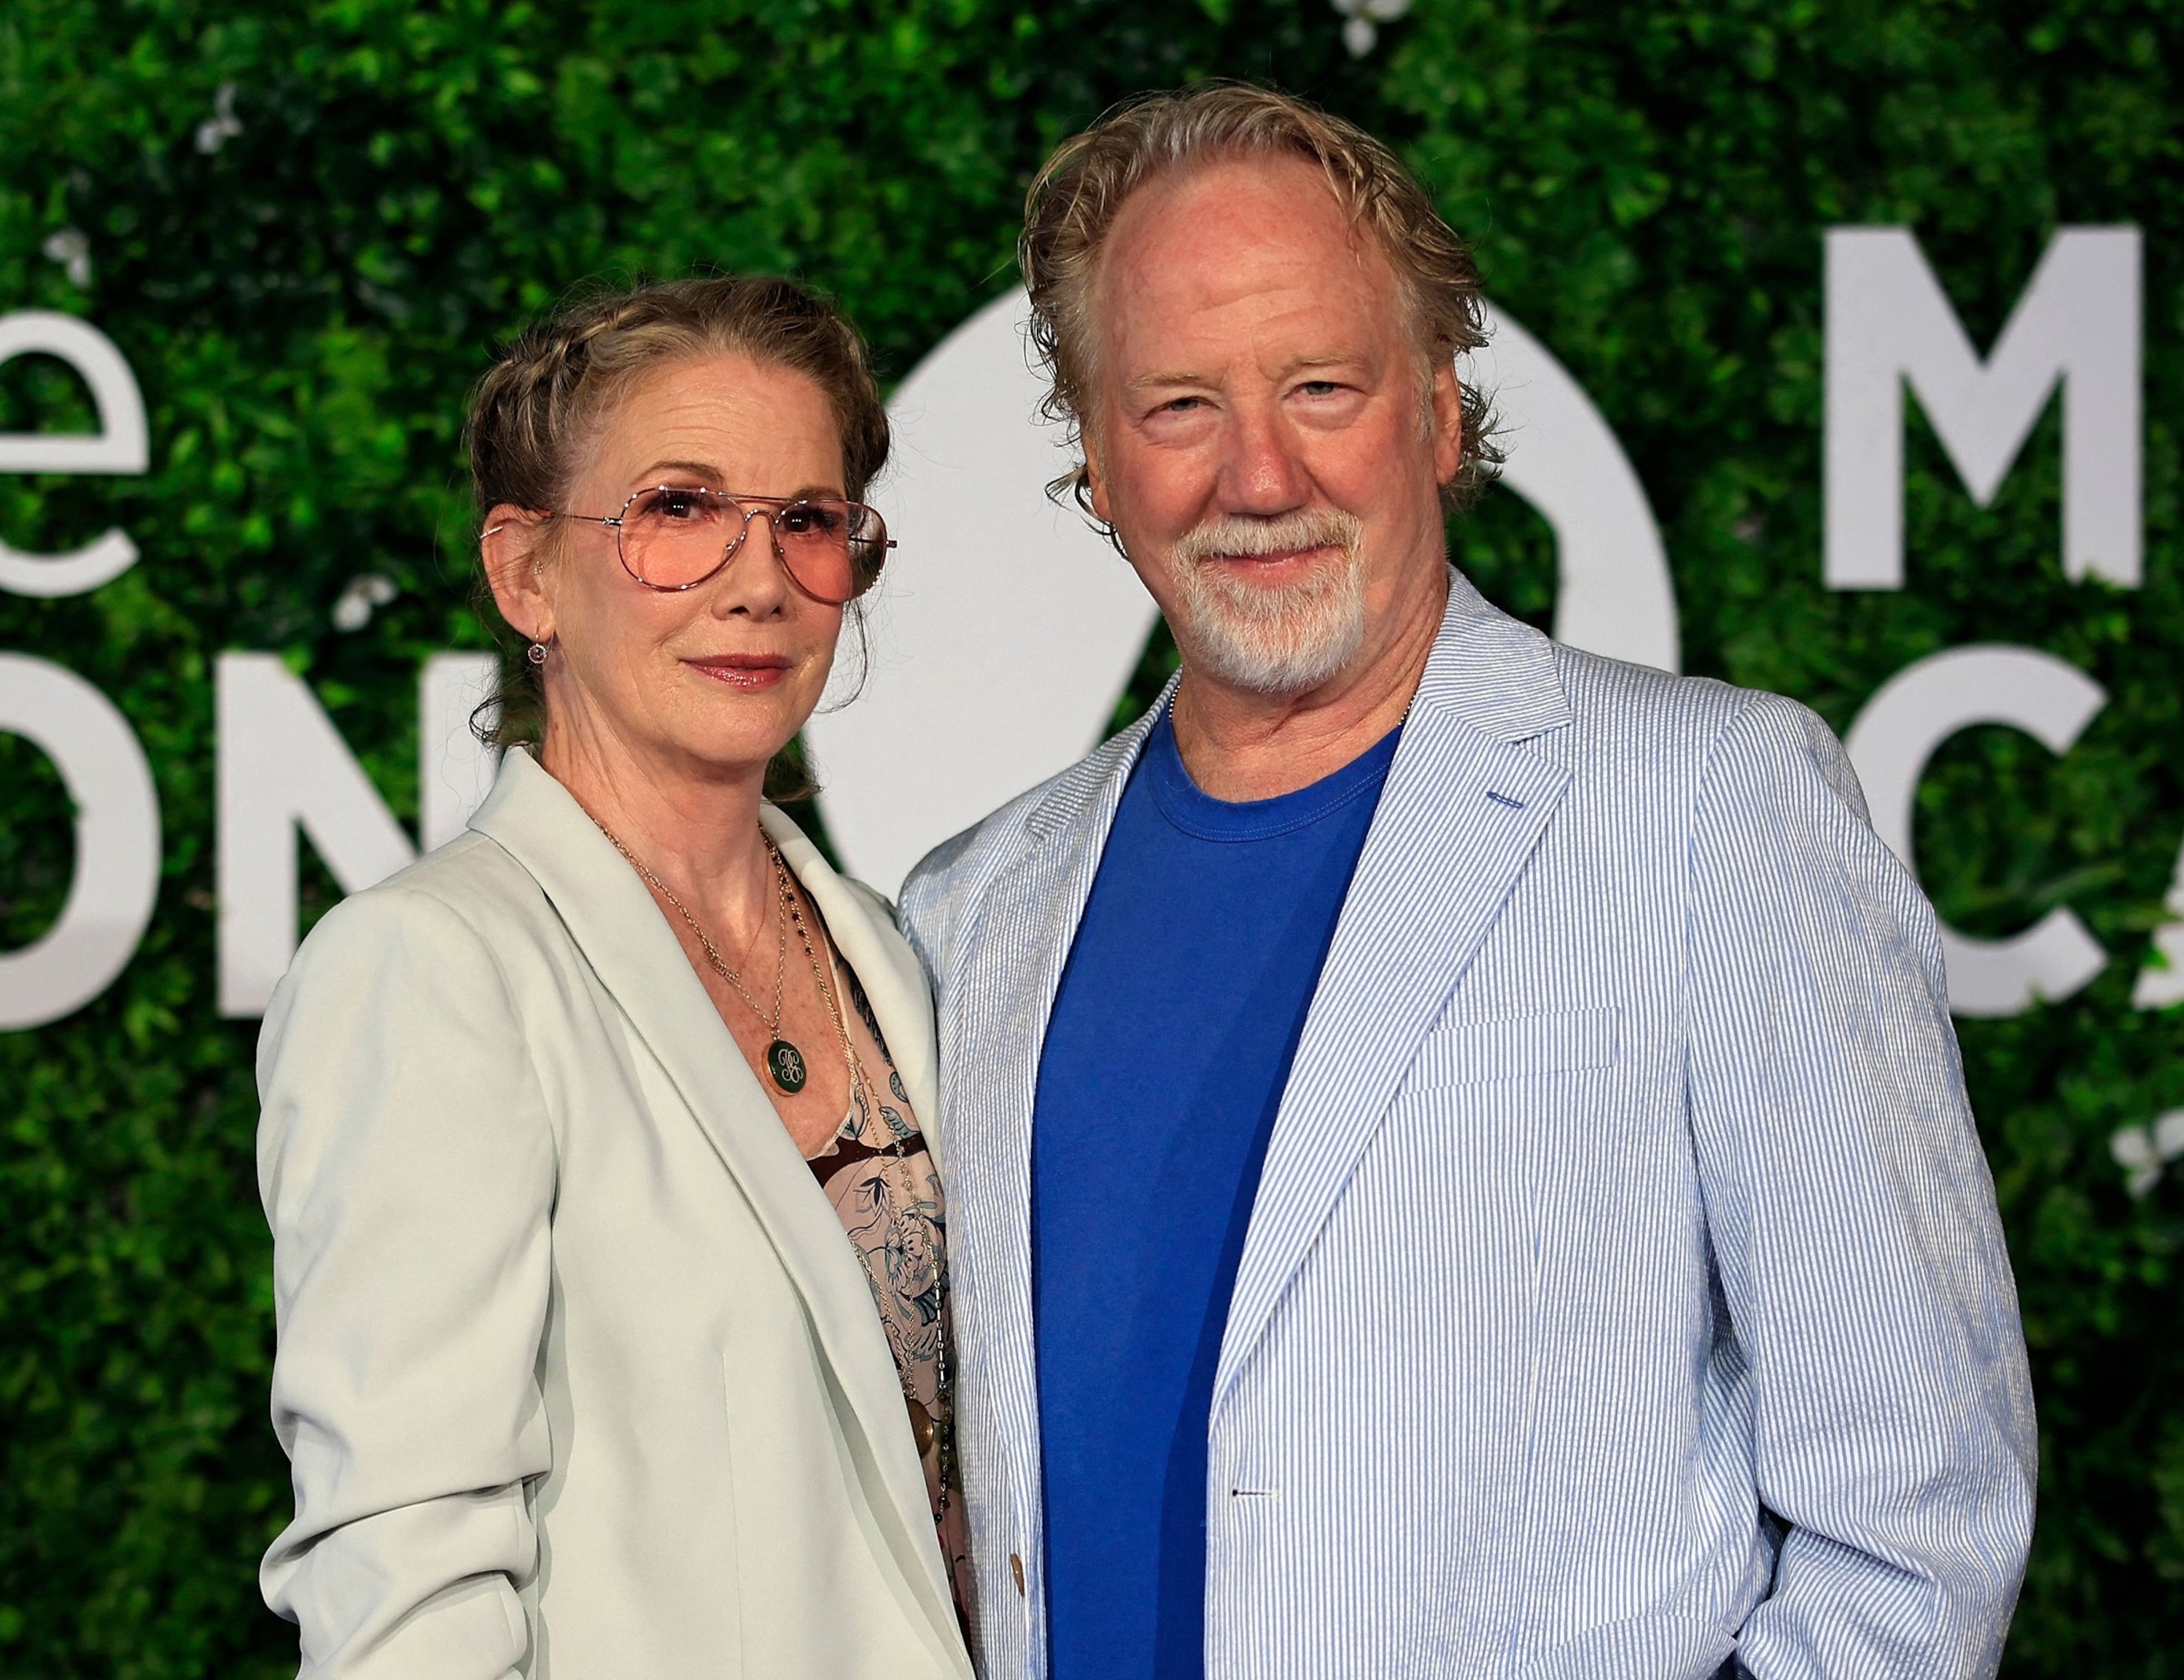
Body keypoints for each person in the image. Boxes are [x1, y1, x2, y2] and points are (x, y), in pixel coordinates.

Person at [901, 83, 2035, 1680]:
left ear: (1438, 410)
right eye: (1178, 406)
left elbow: (1919, 1526)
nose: (1259, 475)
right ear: (1096, 457)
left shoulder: (1714, 810)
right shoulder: (975, 909)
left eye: (1321, 387)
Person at [256, 277, 974, 1679]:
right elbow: (401, 1596)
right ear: (526, 571)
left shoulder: (894, 948)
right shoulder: (433, 968)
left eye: (806, 520)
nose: (758, 582)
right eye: (679, 508)